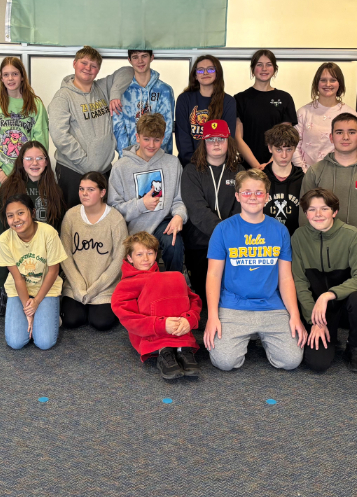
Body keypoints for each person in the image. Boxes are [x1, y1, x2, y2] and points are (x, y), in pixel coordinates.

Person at [203, 169, 307, 371]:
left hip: (271, 305)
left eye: (259, 192)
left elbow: (285, 278)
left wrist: (294, 315)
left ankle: (257, 335)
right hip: (234, 305)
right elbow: (213, 275)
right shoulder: (223, 229)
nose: (253, 197)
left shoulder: (279, 230)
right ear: (237, 196)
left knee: (291, 360)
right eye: (247, 192)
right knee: (225, 361)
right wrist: (212, 316)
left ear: (267, 197)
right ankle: (247, 334)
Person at [293, 189, 357, 373]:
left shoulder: (351, 235)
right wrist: (313, 320)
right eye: (312, 209)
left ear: (335, 212)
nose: (318, 214)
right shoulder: (299, 237)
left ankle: (354, 346)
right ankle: (326, 334)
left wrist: (328, 295)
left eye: (324, 208)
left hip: (344, 305)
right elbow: (299, 283)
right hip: (316, 310)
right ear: (306, 214)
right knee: (318, 363)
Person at [47, 46, 133, 209]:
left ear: (98, 70)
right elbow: (59, 136)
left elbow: (128, 71)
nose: (88, 68)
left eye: (93, 66)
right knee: (73, 222)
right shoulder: (63, 97)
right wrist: (84, 162)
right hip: (74, 172)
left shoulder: (102, 88)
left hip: (104, 172)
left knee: (101, 220)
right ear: (74, 64)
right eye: (84, 63)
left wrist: (114, 94)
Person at [111, 231, 202, 380]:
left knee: (176, 277)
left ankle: (182, 348)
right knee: (163, 280)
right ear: (130, 258)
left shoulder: (168, 278)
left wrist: (189, 319)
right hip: (151, 334)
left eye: (150, 253)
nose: (146, 259)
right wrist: (160, 325)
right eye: (139, 254)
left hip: (180, 329)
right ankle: (164, 350)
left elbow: (194, 301)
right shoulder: (126, 284)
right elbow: (127, 316)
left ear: (155, 255)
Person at [299, 113, 357, 257]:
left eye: (351, 132)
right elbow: (304, 213)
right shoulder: (316, 171)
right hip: (320, 253)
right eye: (339, 132)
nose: (345, 137)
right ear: (331, 137)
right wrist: (316, 246)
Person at [0, 140, 65, 303]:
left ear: (46, 161)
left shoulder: (54, 190)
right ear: (21, 162)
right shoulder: (8, 189)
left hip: (44, 269)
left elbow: (58, 235)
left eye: (40, 158)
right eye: (29, 158)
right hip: (15, 268)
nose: (34, 163)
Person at [108, 113, 187, 273]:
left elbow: (179, 199)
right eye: (146, 139)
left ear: (163, 138)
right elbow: (114, 209)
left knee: (174, 244)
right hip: (132, 227)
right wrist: (141, 205)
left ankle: (174, 286)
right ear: (137, 137)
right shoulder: (121, 167)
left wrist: (179, 215)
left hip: (162, 223)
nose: (151, 144)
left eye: (156, 140)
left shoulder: (172, 163)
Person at [180, 119, 242, 309]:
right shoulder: (191, 171)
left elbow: (242, 208)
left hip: (232, 243)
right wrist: (223, 233)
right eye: (211, 139)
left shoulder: (238, 171)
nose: (216, 143)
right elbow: (197, 210)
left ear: (228, 141)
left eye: (221, 139)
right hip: (199, 243)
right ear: (203, 143)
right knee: (205, 299)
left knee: (230, 294)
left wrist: (228, 237)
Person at [59, 171, 129, 331]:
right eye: (81, 189)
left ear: (102, 192)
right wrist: (77, 284)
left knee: (101, 322)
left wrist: (97, 287)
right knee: (72, 320)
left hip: (105, 286)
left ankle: (95, 304)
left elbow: (119, 258)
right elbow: (65, 255)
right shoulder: (71, 216)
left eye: (91, 189)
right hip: (76, 284)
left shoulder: (115, 219)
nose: (84, 194)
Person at [0, 193, 67, 350]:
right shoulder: (4, 240)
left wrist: (36, 302)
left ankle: (53, 316)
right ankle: (36, 317)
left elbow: (53, 271)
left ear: (33, 212)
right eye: (10, 215)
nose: (16, 219)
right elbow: (18, 279)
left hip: (46, 289)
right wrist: (29, 311)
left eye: (21, 213)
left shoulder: (48, 233)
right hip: (19, 289)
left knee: (44, 342)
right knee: (15, 342)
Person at [0, 56, 48, 193]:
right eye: (6, 74)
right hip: (0, 179)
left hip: (28, 178)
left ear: (22, 76)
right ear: (1, 78)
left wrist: (30, 172)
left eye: (15, 74)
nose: (10, 78)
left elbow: (41, 142)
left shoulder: (36, 104)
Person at [235, 49, 297, 169]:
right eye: (259, 65)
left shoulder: (285, 98)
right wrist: (257, 166)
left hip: (278, 166)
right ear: (253, 69)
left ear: (274, 69)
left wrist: (270, 165)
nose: (264, 68)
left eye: (269, 65)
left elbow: (286, 137)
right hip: (247, 167)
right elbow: (238, 138)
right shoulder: (240, 99)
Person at [110, 49, 175, 157]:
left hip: (158, 158)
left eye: (144, 56)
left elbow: (167, 127)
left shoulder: (164, 90)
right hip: (130, 159)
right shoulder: (121, 92)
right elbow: (118, 128)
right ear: (129, 60)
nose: (140, 61)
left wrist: (152, 155)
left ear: (152, 57)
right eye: (135, 57)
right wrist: (129, 155)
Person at [174, 54, 237, 167]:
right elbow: (182, 137)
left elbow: (228, 138)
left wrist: (213, 165)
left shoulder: (228, 101)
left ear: (217, 73)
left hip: (218, 165)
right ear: (195, 75)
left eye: (210, 69)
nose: (205, 73)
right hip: (189, 165)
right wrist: (195, 164)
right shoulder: (184, 99)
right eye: (200, 70)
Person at [293, 62, 357, 169]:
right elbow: (294, 145)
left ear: (339, 83)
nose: (328, 84)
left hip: (340, 173)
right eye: (323, 80)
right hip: (307, 175)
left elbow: (356, 146)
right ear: (316, 83)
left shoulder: (350, 114)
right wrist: (304, 172)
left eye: (333, 80)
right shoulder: (303, 112)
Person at [261, 123, 305, 239]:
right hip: (265, 242)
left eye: (289, 149)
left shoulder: (303, 179)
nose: (284, 155)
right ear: (270, 148)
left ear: (295, 148)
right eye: (279, 149)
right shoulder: (259, 179)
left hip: (295, 242)